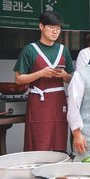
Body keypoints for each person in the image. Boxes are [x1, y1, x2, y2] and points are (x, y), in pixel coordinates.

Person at [14, 11, 74, 152]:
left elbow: (70, 79)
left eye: (58, 28)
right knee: (38, 138)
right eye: (51, 27)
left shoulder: (63, 50)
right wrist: (41, 73)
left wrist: (64, 75)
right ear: (41, 26)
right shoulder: (30, 50)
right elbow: (18, 79)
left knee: (59, 137)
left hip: (58, 100)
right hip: (38, 100)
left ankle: (57, 170)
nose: (55, 31)